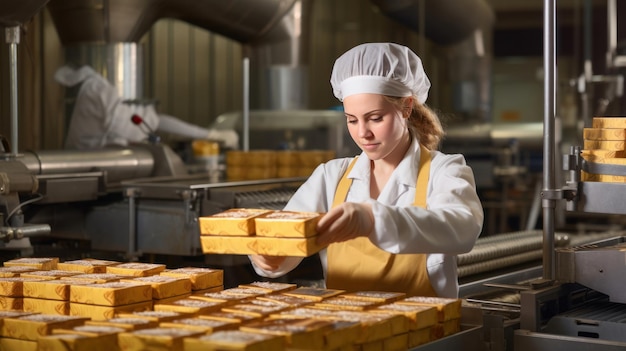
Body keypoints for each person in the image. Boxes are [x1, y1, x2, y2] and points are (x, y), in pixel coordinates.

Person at [249, 42, 484, 298]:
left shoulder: (443, 170)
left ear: (406, 107)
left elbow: (462, 228)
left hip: (426, 332)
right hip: (345, 329)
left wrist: (373, 218)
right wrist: (271, 257)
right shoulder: (331, 177)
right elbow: (287, 238)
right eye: (352, 120)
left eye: (375, 118)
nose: (363, 133)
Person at [55, 64, 239, 150]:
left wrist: (210, 136)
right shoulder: (96, 90)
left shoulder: (94, 89)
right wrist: (211, 135)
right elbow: (130, 126)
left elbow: (139, 124)